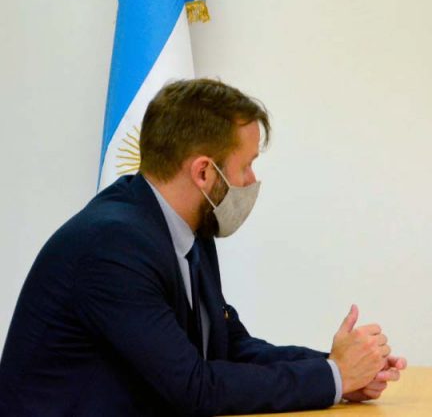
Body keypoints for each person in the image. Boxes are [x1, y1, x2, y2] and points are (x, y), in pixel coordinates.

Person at [0, 78, 405, 415]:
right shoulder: (113, 246)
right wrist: (335, 377)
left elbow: (229, 348)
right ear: (204, 172)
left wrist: (338, 369)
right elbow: (192, 387)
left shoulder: (190, 228)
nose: (251, 180)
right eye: (246, 165)